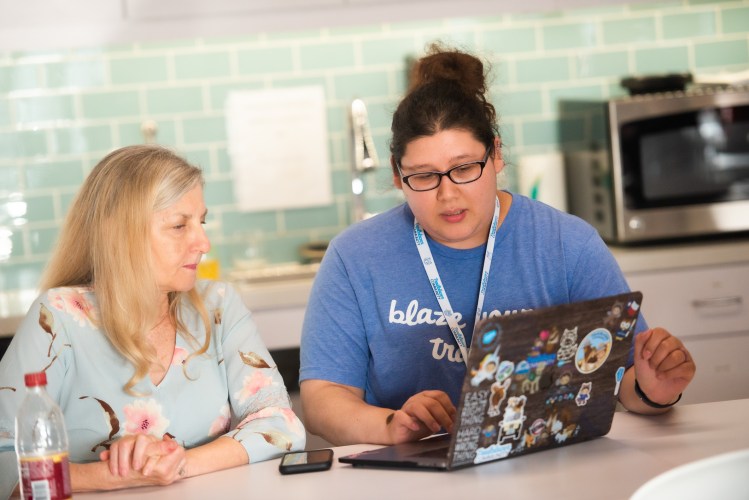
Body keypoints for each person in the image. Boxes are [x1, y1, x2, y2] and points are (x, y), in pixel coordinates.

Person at [299, 45, 696, 446]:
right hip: (409, 471)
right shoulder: (354, 256)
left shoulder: (567, 245)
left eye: (465, 168)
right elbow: (322, 400)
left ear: (496, 155)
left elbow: (625, 380)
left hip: (544, 464)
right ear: (398, 175)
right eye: (423, 176)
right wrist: (392, 425)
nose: (448, 195)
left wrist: (655, 387)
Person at [0, 145, 305, 493]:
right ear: (119, 233)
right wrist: (113, 476)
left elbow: (282, 424)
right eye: (179, 226)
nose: (203, 242)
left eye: (201, 221)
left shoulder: (217, 305)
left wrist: (176, 464)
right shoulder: (56, 318)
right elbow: (5, 460)